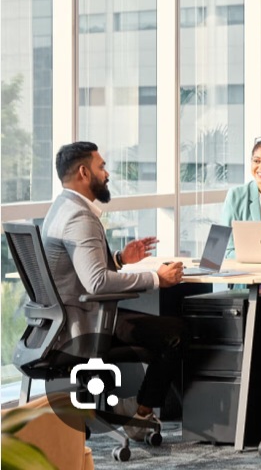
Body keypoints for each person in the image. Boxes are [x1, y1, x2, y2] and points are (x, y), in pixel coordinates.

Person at [41, 142, 185, 438]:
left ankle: (134, 409)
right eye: (102, 167)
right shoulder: (80, 218)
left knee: (161, 329)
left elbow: (79, 271)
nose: (107, 174)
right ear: (84, 172)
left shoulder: (61, 208)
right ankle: (139, 415)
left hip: (58, 322)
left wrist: (119, 259)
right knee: (176, 334)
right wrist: (155, 278)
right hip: (82, 325)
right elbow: (96, 282)